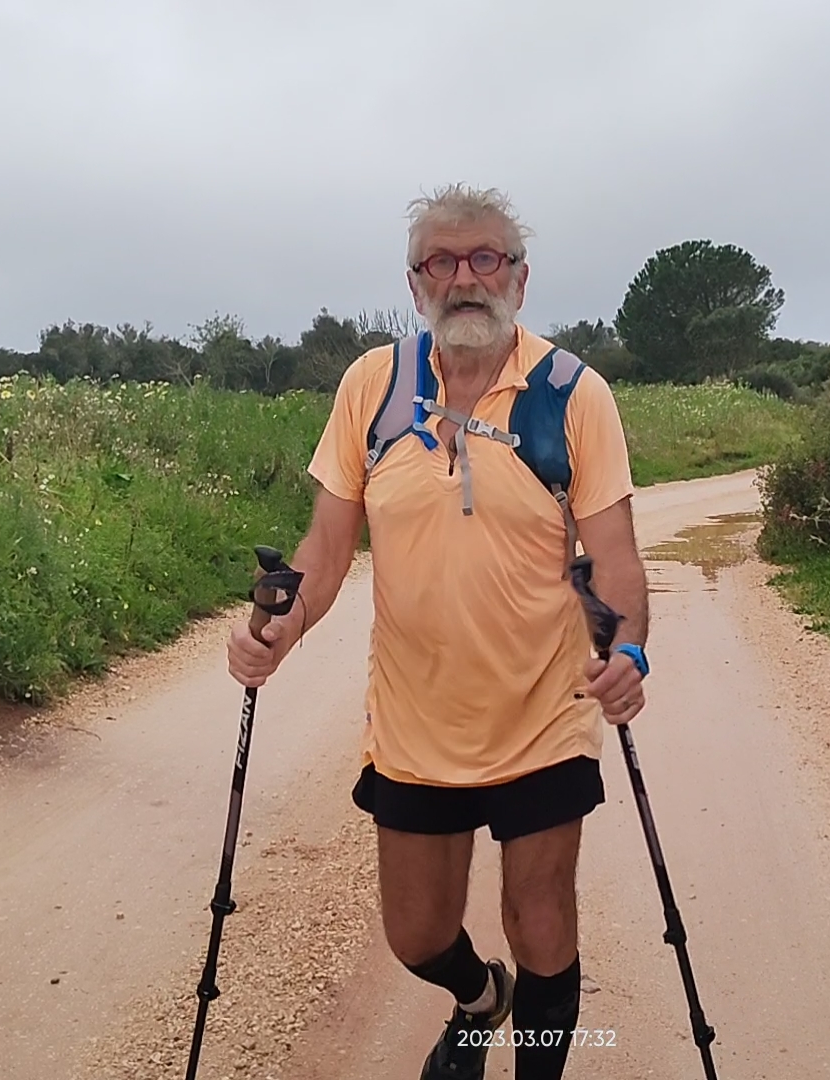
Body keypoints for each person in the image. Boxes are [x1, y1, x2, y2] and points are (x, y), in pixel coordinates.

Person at [226, 184, 650, 1080]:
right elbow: (326, 549)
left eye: (485, 258)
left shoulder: (573, 394)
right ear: (415, 283)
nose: (464, 279)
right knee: (416, 933)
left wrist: (627, 651)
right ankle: (479, 998)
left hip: (543, 711)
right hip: (414, 720)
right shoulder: (372, 387)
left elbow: (613, 558)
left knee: (542, 921)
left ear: (520, 279)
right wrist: (278, 634)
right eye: (441, 262)